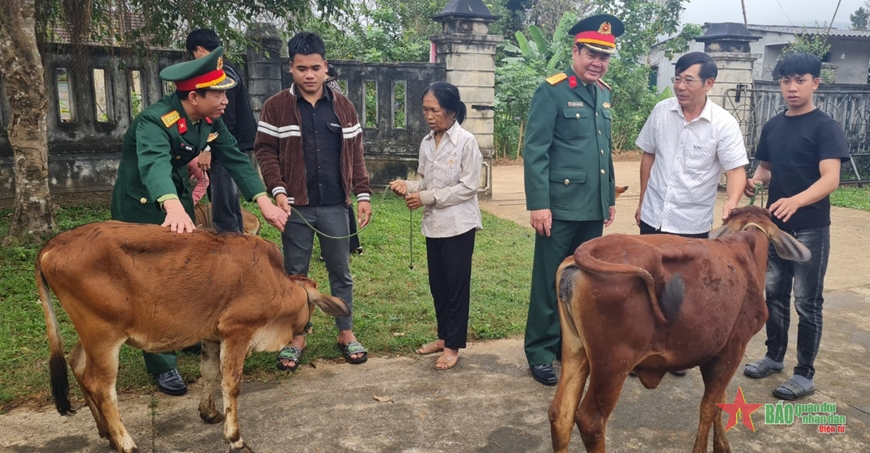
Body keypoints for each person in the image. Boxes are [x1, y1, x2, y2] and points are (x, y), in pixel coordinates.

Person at [110, 48, 288, 396]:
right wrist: (172, 206)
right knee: (150, 283)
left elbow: (235, 158)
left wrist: (263, 201)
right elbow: (154, 165)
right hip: (144, 208)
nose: (225, 99)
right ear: (194, 96)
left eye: (225, 91)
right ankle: (163, 363)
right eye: (218, 93)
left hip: (176, 202)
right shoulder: (154, 121)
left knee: (183, 274)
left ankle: (185, 331)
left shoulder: (208, 121)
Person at [255, 31, 372, 372]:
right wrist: (277, 191)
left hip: (336, 205)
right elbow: (265, 152)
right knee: (295, 276)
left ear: (326, 68)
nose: (309, 75)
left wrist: (362, 196)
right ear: (290, 68)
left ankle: (345, 333)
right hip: (296, 206)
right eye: (301, 68)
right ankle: (297, 336)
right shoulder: (276, 107)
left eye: (315, 68)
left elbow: (357, 155)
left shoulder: (344, 107)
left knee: (341, 272)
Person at [742, 53, 850, 400]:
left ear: (815, 83)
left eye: (799, 80)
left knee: (807, 301)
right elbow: (768, 169)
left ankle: (804, 373)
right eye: (785, 81)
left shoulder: (825, 127)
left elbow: (831, 178)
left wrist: (797, 201)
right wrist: (754, 181)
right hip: (775, 229)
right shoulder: (773, 125)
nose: (791, 87)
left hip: (809, 227)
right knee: (773, 294)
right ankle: (774, 356)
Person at [522, 14, 623, 386]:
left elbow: (603, 152)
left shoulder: (604, 92)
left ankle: (575, 347)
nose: (598, 62)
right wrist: (539, 203)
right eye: (592, 54)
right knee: (551, 279)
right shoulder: (552, 91)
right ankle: (540, 351)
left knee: (584, 281)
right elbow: (536, 150)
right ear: (575, 51)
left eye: (605, 56)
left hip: (592, 206)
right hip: (559, 205)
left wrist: (608, 195)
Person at [634, 52, 748, 376]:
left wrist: (732, 201)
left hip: (690, 223)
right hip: (654, 215)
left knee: (683, 292)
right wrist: (643, 200)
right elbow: (648, 156)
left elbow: (736, 170)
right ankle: (643, 350)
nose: (680, 87)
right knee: (647, 285)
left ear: (708, 84)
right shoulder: (661, 112)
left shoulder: (723, 124)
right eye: (677, 79)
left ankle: (678, 353)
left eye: (688, 80)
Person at [389, 82, 483, 371]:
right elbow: (425, 181)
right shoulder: (427, 142)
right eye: (425, 110)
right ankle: (444, 337)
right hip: (434, 225)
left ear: (452, 111)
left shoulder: (466, 142)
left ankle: (453, 346)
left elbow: (469, 186)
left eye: (435, 110)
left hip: (459, 226)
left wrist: (426, 196)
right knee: (438, 286)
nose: (428, 116)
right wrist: (407, 186)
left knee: (456, 287)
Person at [185, 29, 258, 233]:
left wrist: (208, 147)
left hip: (225, 144)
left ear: (199, 50)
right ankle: (235, 237)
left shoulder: (220, 73)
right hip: (230, 141)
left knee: (222, 196)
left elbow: (224, 116)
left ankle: (228, 241)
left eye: (194, 54)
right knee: (227, 196)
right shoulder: (228, 69)